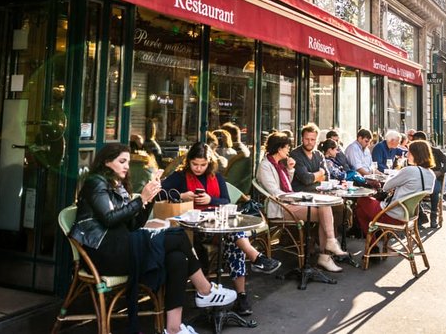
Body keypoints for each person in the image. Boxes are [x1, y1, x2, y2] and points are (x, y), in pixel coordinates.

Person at [71, 143, 235, 334]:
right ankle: (205, 290)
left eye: (128, 162)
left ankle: (173, 329)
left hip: (123, 246)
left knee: (177, 258)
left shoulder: (118, 185)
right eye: (122, 161)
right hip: (105, 255)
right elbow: (109, 220)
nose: (126, 166)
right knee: (178, 235)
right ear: (107, 162)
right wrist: (141, 198)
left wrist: (149, 199)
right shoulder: (96, 183)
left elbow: (134, 225)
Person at [160, 142, 280, 316]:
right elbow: (160, 192)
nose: (198, 168)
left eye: (203, 165)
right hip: (191, 232)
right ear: (189, 162)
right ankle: (254, 263)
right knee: (235, 239)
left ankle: (240, 295)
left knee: (233, 241)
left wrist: (210, 200)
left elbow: (225, 201)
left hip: (216, 228)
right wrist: (181, 195)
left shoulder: (216, 177)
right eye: (195, 164)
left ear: (209, 162)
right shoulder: (180, 177)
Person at [255, 132, 347, 272]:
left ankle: (327, 249)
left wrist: (290, 170)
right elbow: (276, 193)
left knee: (324, 207)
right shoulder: (266, 166)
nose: (288, 150)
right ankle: (327, 249)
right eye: (286, 147)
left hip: (289, 203)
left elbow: (287, 185)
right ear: (279, 149)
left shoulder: (279, 164)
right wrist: (299, 197)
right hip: (280, 207)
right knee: (324, 210)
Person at [356, 140, 436, 236]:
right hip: (410, 215)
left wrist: (393, 177)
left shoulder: (410, 170)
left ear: (416, 154)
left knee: (362, 201)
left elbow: (386, 186)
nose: (407, 155)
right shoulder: (431, 175)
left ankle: (372, 241)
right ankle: (377, 235)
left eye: (409, 152)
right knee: (362, 210)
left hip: (392, 215)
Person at [411, 131, 446, 228]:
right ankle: (420, 217)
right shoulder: (413, 153)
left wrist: (440, 172)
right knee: (413, 191)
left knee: (434, 190)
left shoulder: (435, 151)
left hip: (434, 178)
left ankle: (434, 217)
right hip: (419, 179)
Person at [289, 123, 328, 192]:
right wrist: (321, 173)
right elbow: (306, 179)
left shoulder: (319, 155)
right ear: (302, 139)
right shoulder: (295, 154)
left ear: (317, 141)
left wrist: (312, 178)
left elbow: (327, 177)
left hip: (318, 194)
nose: (309, 142)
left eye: (312, 139)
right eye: (307, 139)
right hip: (300, 195)